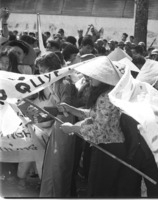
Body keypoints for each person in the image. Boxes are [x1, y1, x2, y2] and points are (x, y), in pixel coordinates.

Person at [59, 67, 126, 197]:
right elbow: (95, 114)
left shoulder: (106, 96)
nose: (89, 78)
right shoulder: (107, 93)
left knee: (99, 191)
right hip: (110, 146)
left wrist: (72, 128)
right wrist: (72, 109)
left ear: (103, 77)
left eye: (94, 75)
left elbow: (98, 129)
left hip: (108, 148)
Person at [31, 52, 78, 197]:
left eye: (42, 69)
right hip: (58, 126)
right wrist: (40, 114)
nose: (40, 73)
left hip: (67, 126)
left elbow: (66, 108)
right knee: (52, 165)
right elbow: (55, 110)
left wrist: (43, 111)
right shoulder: (54, 82)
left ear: (51, 68)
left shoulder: (64, 83)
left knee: (60, 165)